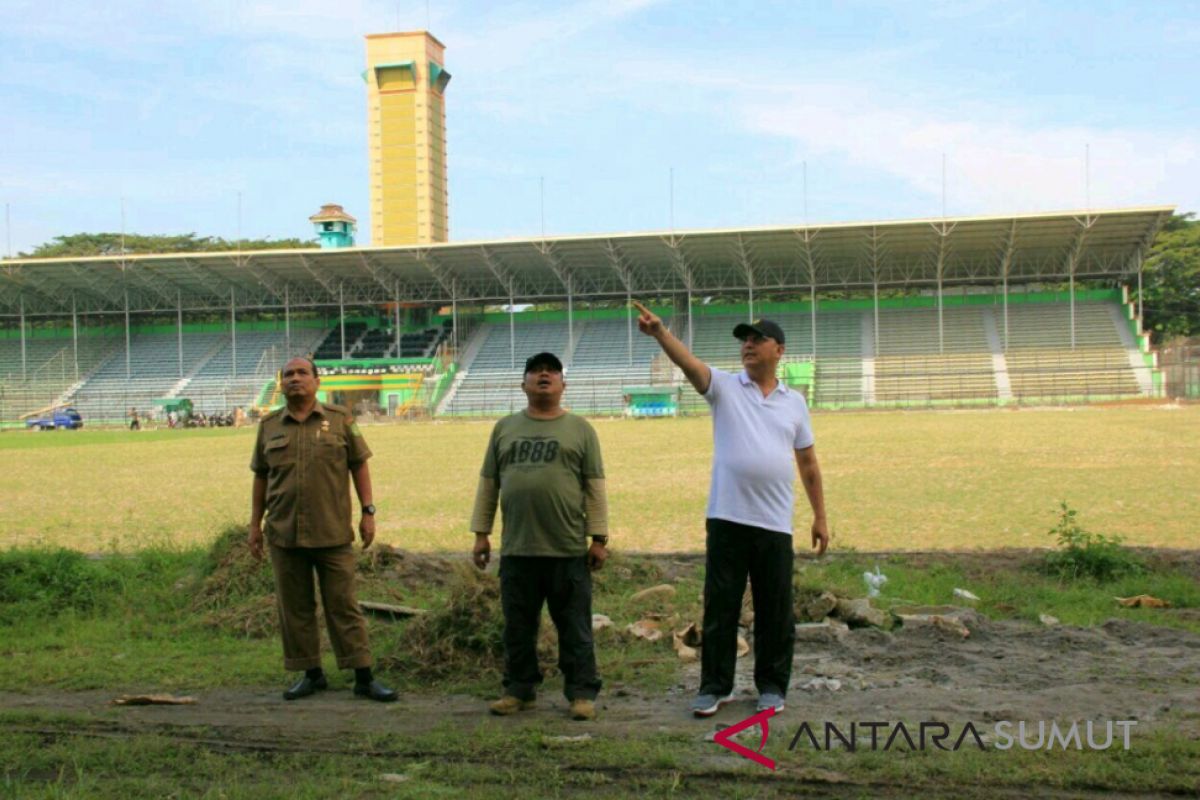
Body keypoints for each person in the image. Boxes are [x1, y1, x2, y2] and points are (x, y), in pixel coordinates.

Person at [632, 301, 829, 717]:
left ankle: (772, 687)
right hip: (727, 518)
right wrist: (661, 333)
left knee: (775, 610)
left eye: (758, 339)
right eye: (745, 340)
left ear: (780, 350)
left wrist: (820, 516)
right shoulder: (724, 387)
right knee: (720, 608)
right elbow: (691, 366)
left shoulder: (795, 403)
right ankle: (714, 687)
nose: (748, 345)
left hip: (774, 523)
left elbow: (808, 464)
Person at [470, 352, 610, 722]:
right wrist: (481, 534)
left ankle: (581, 693)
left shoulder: (581, 430)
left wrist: (599, 538)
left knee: (575, 627)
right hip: (518, 549)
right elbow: (489, 484)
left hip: (567, 549)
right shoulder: (504, 428)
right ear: (524, 385)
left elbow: (594, 486)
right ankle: (519, 690)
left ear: (564, 385)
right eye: (535, 370)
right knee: (518, 627)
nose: (543, 375)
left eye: (551, 371)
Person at [248, 356, 396, 703]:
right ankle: (310, 673)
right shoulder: (269, 426)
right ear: (281, 384)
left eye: (302, 373)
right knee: (295, 608)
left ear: (317, 381)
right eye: (288, 375)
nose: (295, 379)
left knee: (343, 605)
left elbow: (359, 465)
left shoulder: (340, 420)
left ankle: (363, 675)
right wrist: (255, 525)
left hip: (332, 533)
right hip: (284, 533)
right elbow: (261, 476)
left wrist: (368, 512)